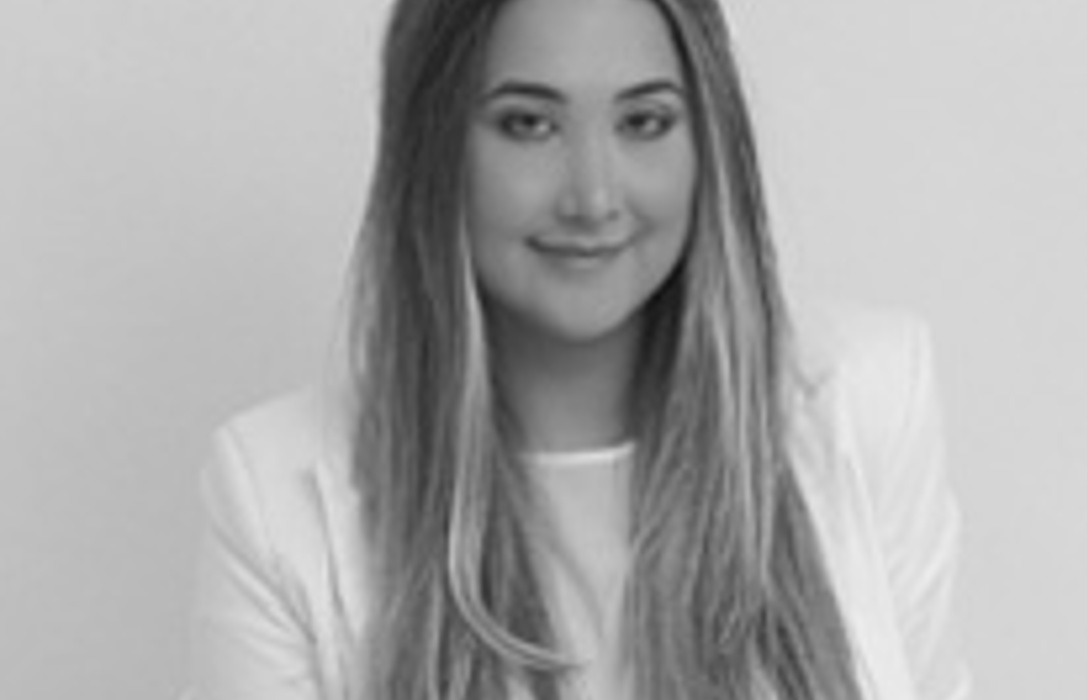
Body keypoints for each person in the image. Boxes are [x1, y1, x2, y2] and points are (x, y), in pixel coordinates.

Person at [187, 0, 973, 698]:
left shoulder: (865, 400)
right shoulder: (274, 497)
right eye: (529, 125)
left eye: (644, 122)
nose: (593, 197)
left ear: (708, 141)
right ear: (432, 150)